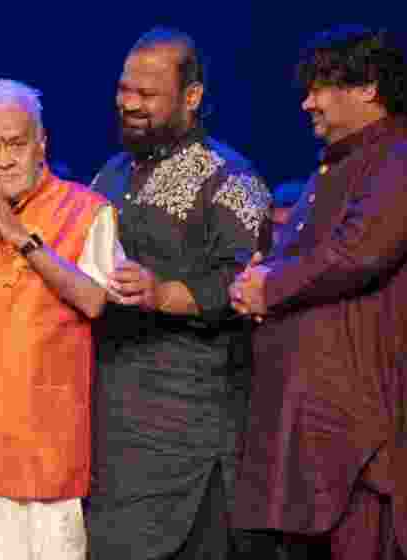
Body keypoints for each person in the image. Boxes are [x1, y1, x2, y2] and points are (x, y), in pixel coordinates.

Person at [229, 26, 407, 559]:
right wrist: (258, 277)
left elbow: (355, 254)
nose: (307, 103)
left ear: (367, 87)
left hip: (383, 445)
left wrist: (271, 286)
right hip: (332, 446)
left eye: (320, 87)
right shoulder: (341, 169)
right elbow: (312, 259)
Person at [85, 27, 272, 560]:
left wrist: (162, 292)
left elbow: (243, 288)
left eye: (146, 94)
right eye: (124, 90)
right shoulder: (113, 173)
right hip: (108, 422)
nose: (129, 104)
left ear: (192, 97)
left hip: (187, 427)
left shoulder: (229, 179)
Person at [0, 79, 119, 560]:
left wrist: (19, 236)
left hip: (41, 451)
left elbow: (94, 300)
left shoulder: (88, 211)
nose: (4, 159)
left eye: (16, 143)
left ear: (41, 145)